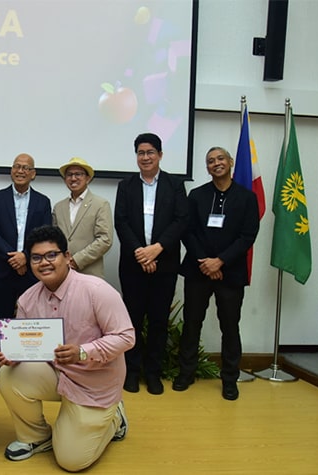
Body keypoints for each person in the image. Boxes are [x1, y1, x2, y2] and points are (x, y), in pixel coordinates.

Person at [0, 225, 135, 472]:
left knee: (71, 461)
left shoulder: (96, 290)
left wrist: (82, 351)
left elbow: (126, 337)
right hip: (56, 372)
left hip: (94, 382)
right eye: (36, 258)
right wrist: (12, 355)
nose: (44, 263)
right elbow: (27, 346)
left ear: (67, 257)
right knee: (8, 375)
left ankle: (115, 418)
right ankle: (36, 436)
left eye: (52, 255)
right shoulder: (27, 299)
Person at [173, 147, 259, 401]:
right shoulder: (197, 196)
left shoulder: (246, 197)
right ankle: (186, 373)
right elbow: (188, 231)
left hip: (230, 274)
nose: (216, 163)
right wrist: (206, 263)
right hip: (198, 271)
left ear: (231, 162)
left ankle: (230, 379)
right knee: (191, 324)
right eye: (210, 161)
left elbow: (248, 236)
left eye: (220, 159)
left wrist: (220, 262)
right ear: (207, 167)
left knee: (230, 327)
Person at [114, 133, 189, 395]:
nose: (145, 157)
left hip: (164, 264)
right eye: (140, 153)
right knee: (131, 319)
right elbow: (120, 222)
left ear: (160, 155)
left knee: (158, 320)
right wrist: (140, 253)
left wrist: (156, 250)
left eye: (150, 152)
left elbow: (181, 220)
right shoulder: (126, 185)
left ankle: (153, 372)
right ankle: (132, 371)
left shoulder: (175, 184)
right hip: (133, 265)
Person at [0, 153, 52, 321]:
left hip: (31, 271)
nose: (20, 171)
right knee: (1, 318)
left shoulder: (43, 202)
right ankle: (1, 348)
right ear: (11, 170)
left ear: (33, 174)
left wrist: (25, 256)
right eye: (16, 166)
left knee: (31, 318)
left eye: (25, 168)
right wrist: (14, 258)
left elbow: (45, 235)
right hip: (2, 269)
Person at [52, 157, 113, 278]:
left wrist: (77, 260)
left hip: (89, 272)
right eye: (69, 175)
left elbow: (105, 239)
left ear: (88, 178)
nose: (73, 178)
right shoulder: (58, 207)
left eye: (78, 174)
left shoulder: (100, 204)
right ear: (65, 179)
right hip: (62, 273)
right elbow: (54, 238)